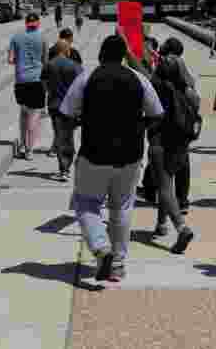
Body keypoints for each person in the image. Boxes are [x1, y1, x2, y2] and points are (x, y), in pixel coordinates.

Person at [60, 35, 165, 282]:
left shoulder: (87, 78)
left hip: (94, 154)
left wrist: (71, 135)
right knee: (122, 207)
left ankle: (100, 247)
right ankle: (117, 264)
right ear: (122, 56)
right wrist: (140, 128)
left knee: (86, 204)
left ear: (101, 55)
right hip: (130, 156)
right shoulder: (138, 79)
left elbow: (65, 113)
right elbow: (158, 113)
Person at [147, 55, 197, 253]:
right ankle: (161, 224)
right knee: (165, 184)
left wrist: (126, 43)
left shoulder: (157, 86)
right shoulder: (188, 90)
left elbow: (137, 66)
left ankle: (181, 228)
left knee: (165, 186)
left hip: (160, 141)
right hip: (181, 143)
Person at [42, 38, 84, 181]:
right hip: (71, 106)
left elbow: (44, 84)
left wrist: (52, 91)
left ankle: (64, 168)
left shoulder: (49, 65)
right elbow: (82, 86)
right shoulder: (75, 66)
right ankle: (66, 165)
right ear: (67, 50)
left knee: (60, 135)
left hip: (55, 105)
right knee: (68, 136)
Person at [9, 12, 48, 160]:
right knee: (34, 115)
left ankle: (23, 144)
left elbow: (11, 59)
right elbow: (45, 61)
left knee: (23, 113)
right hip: (36, 80)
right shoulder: (43, 37)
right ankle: (29, 150)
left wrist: (21, 61)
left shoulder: (16, 37)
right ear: (37, 23)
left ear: (26, 23)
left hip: (21, 81)